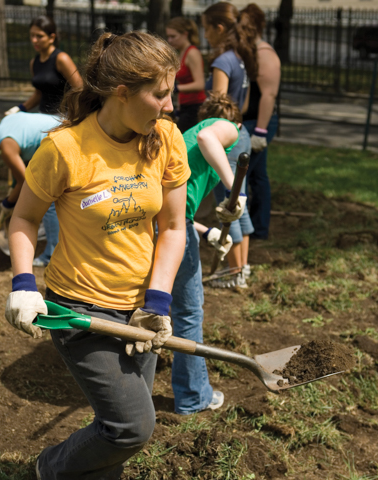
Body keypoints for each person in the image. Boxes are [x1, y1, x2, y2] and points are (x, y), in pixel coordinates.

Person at [4, 31, 190, 480]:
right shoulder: (65, 148)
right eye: (160, 95)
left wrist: (157, 302)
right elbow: (24, 219)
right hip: (79, 310)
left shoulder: (164, 138)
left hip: (139, 308)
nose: (170, 105)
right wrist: (24, 284)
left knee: (118, 434)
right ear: (122, 93)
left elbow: (173, 227)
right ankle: (49, 468)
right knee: (132, 427)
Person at [171, 92, 246, 415]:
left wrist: (208, 231)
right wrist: (234, 189)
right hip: (170, 226)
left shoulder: (190, 137)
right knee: (187, 313)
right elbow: (207, 136)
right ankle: (193, 397)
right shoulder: (225, 128)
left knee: (149, 305)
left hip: (162, 221)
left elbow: (178, 212)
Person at [201, 1, 259, 287]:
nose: (205, 36)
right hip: (241, 128)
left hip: (226, 134)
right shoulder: (240, 58)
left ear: (219, 28)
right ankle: (242, 269)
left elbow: (218, 103)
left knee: (230, 203)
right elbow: (243, 103)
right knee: (241, 202)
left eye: (206, 29)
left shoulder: (222, 61)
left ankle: (235, 275)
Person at [0, 112, 60, 267]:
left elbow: (24, 181)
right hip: (63, 129)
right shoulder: (3, 126)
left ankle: (52, 255)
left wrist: (8, 203)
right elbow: (19, 175)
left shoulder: (6, 146)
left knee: (48, 201)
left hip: (60, 142)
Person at [241, 3, 281, 240]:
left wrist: (260, 131)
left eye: (245, 24)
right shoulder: (251, 50)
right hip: (252, 121)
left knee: (243, 177)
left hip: (258, 122)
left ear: (255, 25)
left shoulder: (264, 53)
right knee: (258, 176)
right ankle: (259, 228)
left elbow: (269, 94)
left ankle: (249, 229)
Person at [5, 15, 82, 116]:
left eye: (39, 36)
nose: (34, 40)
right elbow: (39, 93)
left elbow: (80, 89)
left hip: (63, 117)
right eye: (32, 35)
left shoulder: (61, 59)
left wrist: (74, 117)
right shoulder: (34, 62)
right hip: (42, 116)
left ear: (51, 38)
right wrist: (19, 108)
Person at [166, 17, 206, 133]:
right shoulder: (181, 52)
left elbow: (200, 84)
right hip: (185, 107)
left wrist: (175, 88)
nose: (170, 40)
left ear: (185, 34)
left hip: (195, 107)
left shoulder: (192, 53)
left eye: (173, 36)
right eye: (168, 36)